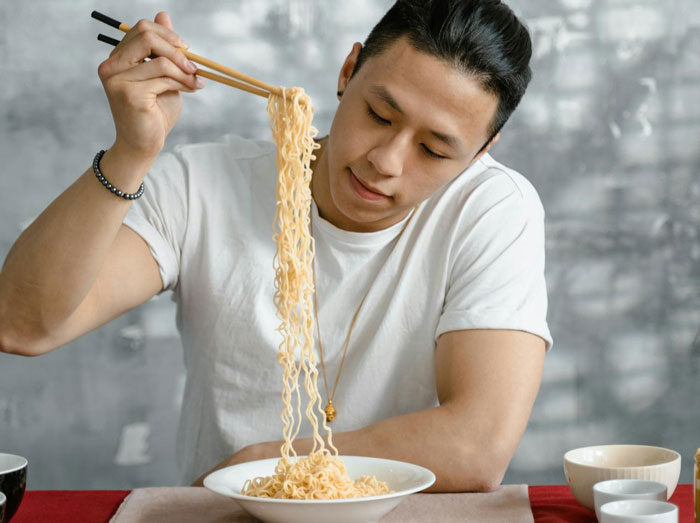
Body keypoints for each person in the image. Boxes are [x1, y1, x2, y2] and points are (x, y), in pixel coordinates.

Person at [0, 0, 551, 492]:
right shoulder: (203, 185)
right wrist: (130, 153)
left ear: (480, 152)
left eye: (434, 150)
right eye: (379, 115)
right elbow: (20, 324)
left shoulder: (491, 210)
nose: (386, 162)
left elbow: (477, 446)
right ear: (347, 71)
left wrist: (262, 466)